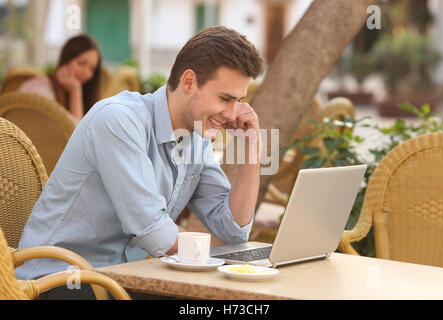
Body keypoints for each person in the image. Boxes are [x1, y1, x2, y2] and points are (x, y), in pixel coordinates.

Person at [16, 26, 264, 299]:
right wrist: (221, 259)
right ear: (189, 82)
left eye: (238, 101)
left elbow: (232, 231)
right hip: (61, 280)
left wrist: (251, 153)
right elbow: (154, 232)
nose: (231, 114)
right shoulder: (119, 120)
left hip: (123, 278)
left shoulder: (195, 139)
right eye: (225, 99)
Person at [19, 34, 102, 122]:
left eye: (92, 69)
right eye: (81, 63)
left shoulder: (84, 90)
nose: (86, 73)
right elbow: (77, 133)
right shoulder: (40, 89)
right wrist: (75, 91)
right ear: (66, 59)